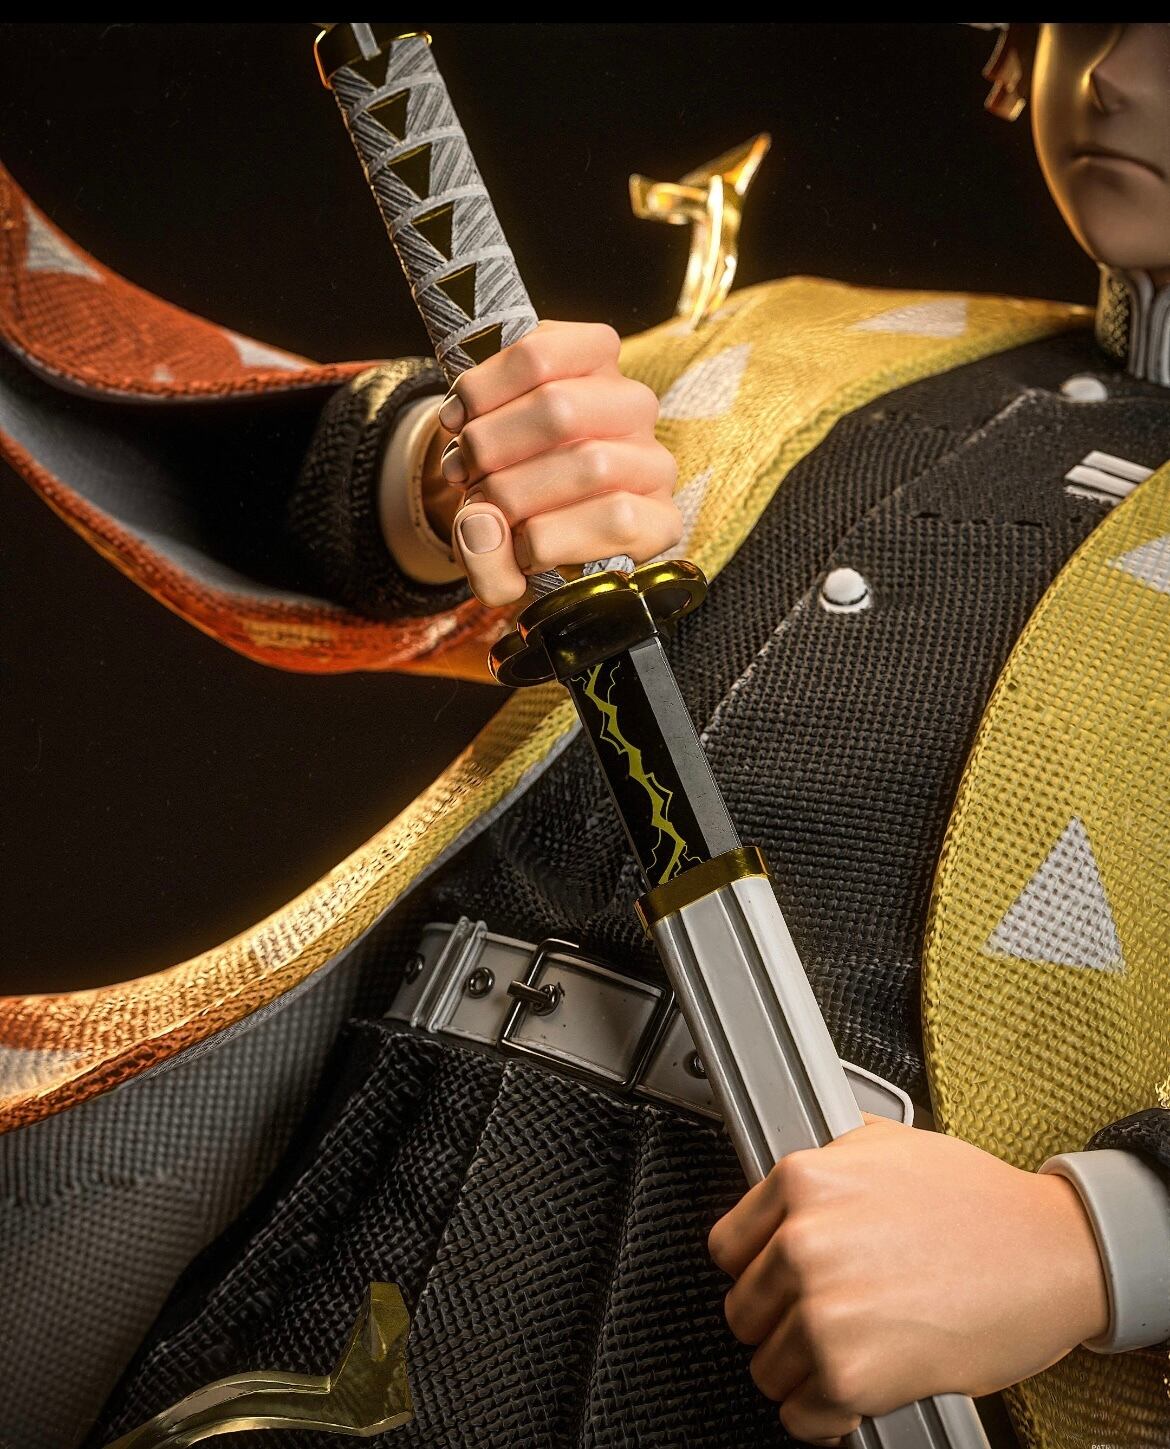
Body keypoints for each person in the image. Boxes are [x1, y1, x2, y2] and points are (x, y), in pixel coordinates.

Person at [2, 21, 1169, 1449]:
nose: (1112, 76)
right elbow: (365, 513)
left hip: (824, 1323)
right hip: (398, 1158)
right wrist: (438, 477)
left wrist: (1100, 1239)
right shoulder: (808, 342)